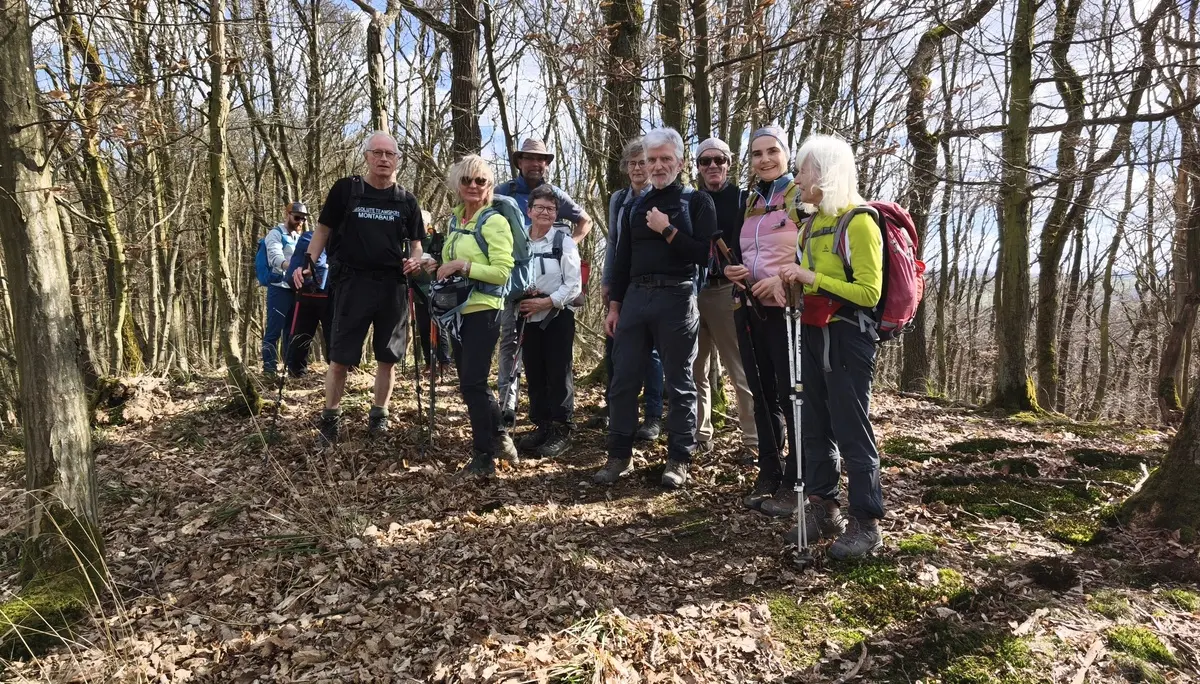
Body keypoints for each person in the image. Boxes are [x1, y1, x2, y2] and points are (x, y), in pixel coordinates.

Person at [776, 134, 885, 559]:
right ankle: (824, 505)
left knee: (852, 426)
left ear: (823, 173)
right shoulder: (810, 225)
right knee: (814, 421)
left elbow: (869, 293)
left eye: (803, 169)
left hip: (848, 337)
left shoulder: (859, 221)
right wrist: (791, 283)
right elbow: (808, 282)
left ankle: (867, 521)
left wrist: (811, 280)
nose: (797, 178)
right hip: (812, 331)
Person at [595, 127, 717, 488]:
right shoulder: (634, 205)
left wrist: (668, 230)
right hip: (634, 298)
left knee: (679, 383)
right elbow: (621, 260)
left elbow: (705, 256)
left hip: (677, 298)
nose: (658, 165)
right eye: (652, 160)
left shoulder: (696, 202)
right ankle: (618, 455)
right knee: (622, 381)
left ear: (680, 162)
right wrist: (615, 306)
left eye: (665, 159)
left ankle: (679, 459)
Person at [293, 131, 425, 445]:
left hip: (392, 286)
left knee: (388, 357)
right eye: (377, 153)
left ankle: (379, 416)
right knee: (340, 357)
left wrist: (415, 261)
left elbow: (417, 245)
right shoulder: (345, 190)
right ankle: (330, 418)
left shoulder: (406, 200)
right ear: (366, 156)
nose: (383, 159)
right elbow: (322, 230)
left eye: (389, 154)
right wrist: (308, 261)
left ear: (397, 160)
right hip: (352, 283)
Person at [722, 126, 806, 516]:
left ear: (787, 154)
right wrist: (735, 271)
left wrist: (783, 277)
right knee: (761, 392)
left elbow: (815, 252)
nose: (765, 159)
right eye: (757, 154)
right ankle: (769, 470)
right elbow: (748, 250)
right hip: (750, 306)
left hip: (788, 308)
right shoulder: (751, 201)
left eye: (772, 151)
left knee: (792, 394)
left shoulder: (801, 196)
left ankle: (796, 478)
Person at [494, 138, 593, 431]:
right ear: (519, 161)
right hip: (515, 290)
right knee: (515, 350)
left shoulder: (556, 196)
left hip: (553, 299)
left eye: (542, 159)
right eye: (530, 158)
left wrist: (566, 246)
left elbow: (584, 220)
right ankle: (510, 408)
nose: (537, 164)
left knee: (554, 361)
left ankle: (559, 424)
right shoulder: (504, 192)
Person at [428, 154, 514, 477]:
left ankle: (483, 458)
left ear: (489, 185)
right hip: (458, 314)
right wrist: (434, 266)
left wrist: (463, 266)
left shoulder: (494, 222)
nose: (473, 186)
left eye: (480, 180)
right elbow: (449, 266)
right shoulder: (455, 221)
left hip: (485, 312)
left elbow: (502, 271)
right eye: (467, 180)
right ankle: (501, 436)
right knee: (470, 383)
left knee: (473, 384)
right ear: (457, 185)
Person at [593, 138, 664, 442]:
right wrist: (608, 281)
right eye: (632, 163)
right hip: (624, 282)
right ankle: (619, 410)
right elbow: (613, 242)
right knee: (618, 347)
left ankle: (653, 416)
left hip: (653, 283)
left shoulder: (661, 196)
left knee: (653, 353)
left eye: (643, 162)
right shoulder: (618, 199)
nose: (638, 168)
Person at [692, 137, 759, 459]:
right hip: (692, 292)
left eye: (719, 160)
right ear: (698, 167)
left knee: (739, 368)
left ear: (729, 164)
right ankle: (700, 434)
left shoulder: (743, 200)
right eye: (705, 161)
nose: (713, 166)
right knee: (695, 369)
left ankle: (753, 440)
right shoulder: (690, 200)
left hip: (726, 291)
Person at [515, 185, 582, 458]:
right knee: (534, 372)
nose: (545, 213)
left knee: (558, 372)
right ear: (529, 211)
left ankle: (562, 429)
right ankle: (541, 425)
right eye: (540, 207)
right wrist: (521, 295)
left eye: (551, 209)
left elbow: (574, 285)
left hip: (557, 316)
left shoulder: (563, 241)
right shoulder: (520, 242)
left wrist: (547, 301)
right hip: (527, 317)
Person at [262, 203, 307, 375]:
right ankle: (269, 370)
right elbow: (275, 257)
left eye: (303, 218)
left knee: (292, 331)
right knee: (274, 330)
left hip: (295, 289)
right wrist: (291, 267)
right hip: (279, 288)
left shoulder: (299, 236)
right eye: (297, 217)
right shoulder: (275, 234)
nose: (300, 221)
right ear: (287, 215)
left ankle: (292, 369)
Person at [284, 225, 332, 377]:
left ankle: (295, 371)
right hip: (329, 296)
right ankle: (340, 370)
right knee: (333, 335)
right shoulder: (338, 241)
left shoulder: (306, 239)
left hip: (304, 295)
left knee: (301, 335)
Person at [412, 210, 451, 378]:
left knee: (440, 327)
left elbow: (448, 261)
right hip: (419, 292)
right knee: (423, 327)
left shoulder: (440, 240)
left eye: (421, 222)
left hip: (440, 289)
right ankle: (429, 362)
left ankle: (444, 363)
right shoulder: (411, 243)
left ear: (428, 224)